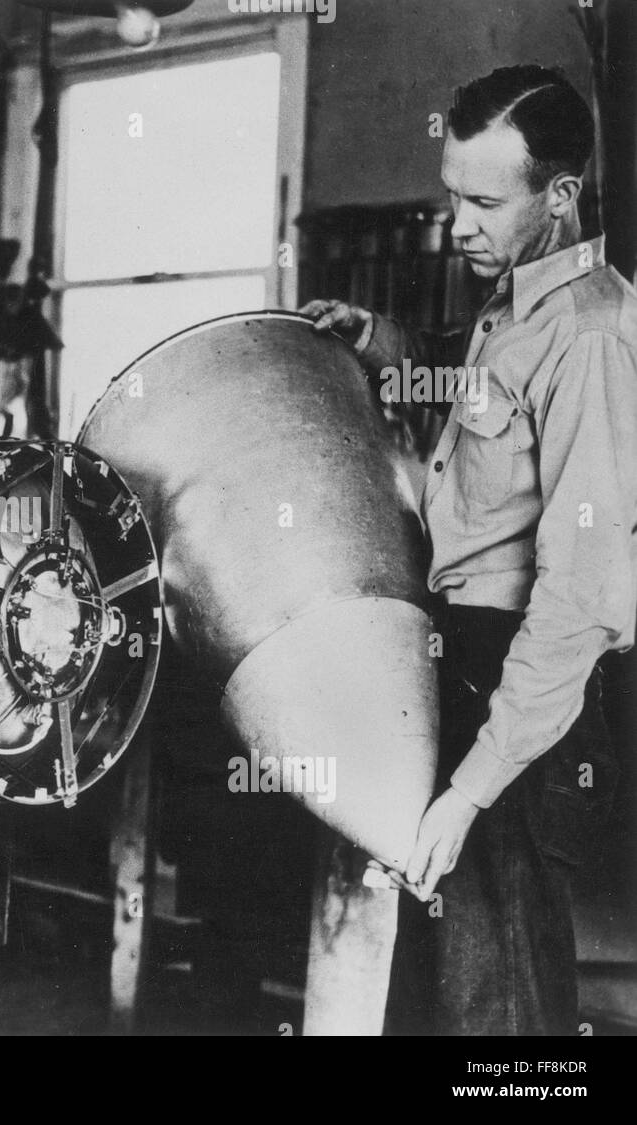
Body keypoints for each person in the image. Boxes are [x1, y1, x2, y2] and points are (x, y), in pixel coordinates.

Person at [303, 65, 637, 1035]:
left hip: (525, 708)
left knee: (502, 1021)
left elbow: (578, 596)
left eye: (485, 201)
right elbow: (470, 383)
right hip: (460, 667)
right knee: (439, 1003)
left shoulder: (590, 338)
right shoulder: (511, 308)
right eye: (451, 195)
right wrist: (373, 335)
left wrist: (470, 790)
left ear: (561, 197)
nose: (458, 225)